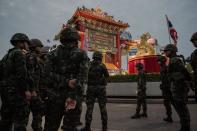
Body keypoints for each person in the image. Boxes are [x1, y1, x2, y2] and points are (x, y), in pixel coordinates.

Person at [43, 27, 88, 131]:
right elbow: (82, 79)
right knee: (70, 128)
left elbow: (46, 76)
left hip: (54, 97)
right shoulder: (81, 54)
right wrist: (72, 94)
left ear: (62, 39)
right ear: (76, 39)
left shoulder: (52, 54)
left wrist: (64, 81)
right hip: (73, 98)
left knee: (50, 127)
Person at [0, 33, 34, 131]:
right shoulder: (19, 53)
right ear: (21, 43)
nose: (28, 45)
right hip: (17, 92)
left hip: (5, 92)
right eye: (27, 43)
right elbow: (22, 73)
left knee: (6, 120)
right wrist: (26, 89)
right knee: (20, 121)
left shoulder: (6, 56)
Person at [163, 44, 191, 131]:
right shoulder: (172, 60)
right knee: (180, 108)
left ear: (172, 51)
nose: (165, 53)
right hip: (176, 87)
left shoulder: (175, 60)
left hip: (179, 87)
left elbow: (184, 72)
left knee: (182, 108)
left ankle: (185, 127)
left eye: (167, 51)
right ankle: (184, 126)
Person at [81, 51, 109, 131]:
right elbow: (107, 76)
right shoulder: (102, 65)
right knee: (103, 108)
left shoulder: (89, 65)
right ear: (100, 57)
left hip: (91, 89)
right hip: (101, 89)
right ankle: (104, 127)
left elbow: (85, 75)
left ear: (94, 56)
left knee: (89, 108)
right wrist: (103, 81)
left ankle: (87, 127)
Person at [27, 39, 44, 131]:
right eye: (40, 46)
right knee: (37, 114)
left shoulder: (28, 56)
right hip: (33, 92)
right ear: (35, 47)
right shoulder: (32, 57)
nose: (41, 48)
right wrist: (33, 90)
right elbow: (31, 74)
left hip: (29, 91)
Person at [157, 55, 173, 123]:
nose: (158, 62)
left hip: (168, 88)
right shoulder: (161, 68)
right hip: (165, 87)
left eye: (159, 61)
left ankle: (182, 116)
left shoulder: (166, 68)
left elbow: (169, 78)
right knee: (166, 103)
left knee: (174, 103)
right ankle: (169, 116)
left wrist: (167, 86)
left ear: (163, 61)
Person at [190, 32, 197, 102]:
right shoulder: (193, 54)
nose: (193, 43)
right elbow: (192, 67)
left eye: (194, 40)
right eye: (192, 42)